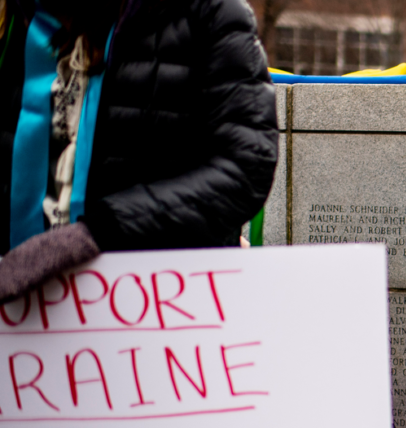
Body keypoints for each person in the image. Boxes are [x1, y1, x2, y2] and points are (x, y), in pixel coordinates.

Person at [0, 0, 277, 301]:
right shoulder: (16, 18)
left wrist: (99, 232)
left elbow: (246, 164)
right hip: (19, 312)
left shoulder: (209, 12)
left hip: (156, 308)